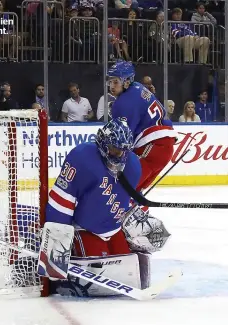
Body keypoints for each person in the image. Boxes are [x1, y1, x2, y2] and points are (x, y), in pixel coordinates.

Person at [37, 118, 171, 297]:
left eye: (124, 150)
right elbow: (61, 201)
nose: (119, 156)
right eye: (115, 149)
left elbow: (128, 199)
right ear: (102, 143)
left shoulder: (132, 165)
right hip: (84, 228)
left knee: (126, 268)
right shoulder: (81, 158)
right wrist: (55, 250)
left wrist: (141, 218)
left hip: (113, 229)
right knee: (99, 270)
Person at [108, 61, 177, 209]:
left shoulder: (123, 103)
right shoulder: (138, 87)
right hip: (162, 147)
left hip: (152, 147)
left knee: (121, 191)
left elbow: (124, 141)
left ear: (127, 81)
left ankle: (130, 222)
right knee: (135, 193)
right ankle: (141, 221)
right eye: (110, 82)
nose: (112, 86)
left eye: (115, 81)